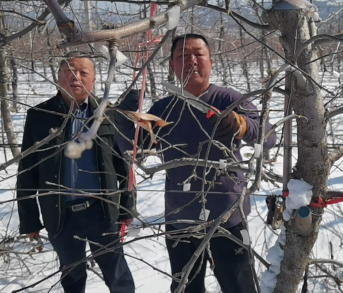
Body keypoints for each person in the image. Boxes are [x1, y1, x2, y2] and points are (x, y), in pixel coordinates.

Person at [118, 33, 277, 293]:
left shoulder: (229, 100)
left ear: (210, 62)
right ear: (172, 66)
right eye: (182, 56)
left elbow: (268, 137)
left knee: (240, 286)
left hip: (228, 216)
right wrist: (125, 119)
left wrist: (241, 125)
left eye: (198, 54)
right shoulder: (164, 108)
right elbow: (134, 149)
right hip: (180, 218)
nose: (191, 61)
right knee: (185, 288)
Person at [16, 52, 137, 293]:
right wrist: (29, 220)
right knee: (71, 275)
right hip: (60, 213)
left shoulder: (107, 115)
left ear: (93, 81)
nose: (76, 77)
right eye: (69, 71)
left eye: (84, 72)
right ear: (58, 77)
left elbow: (122, 165)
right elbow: (27, 171)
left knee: (117, 274)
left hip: (102, 211)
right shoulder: (40, 116)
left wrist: (126, 207)